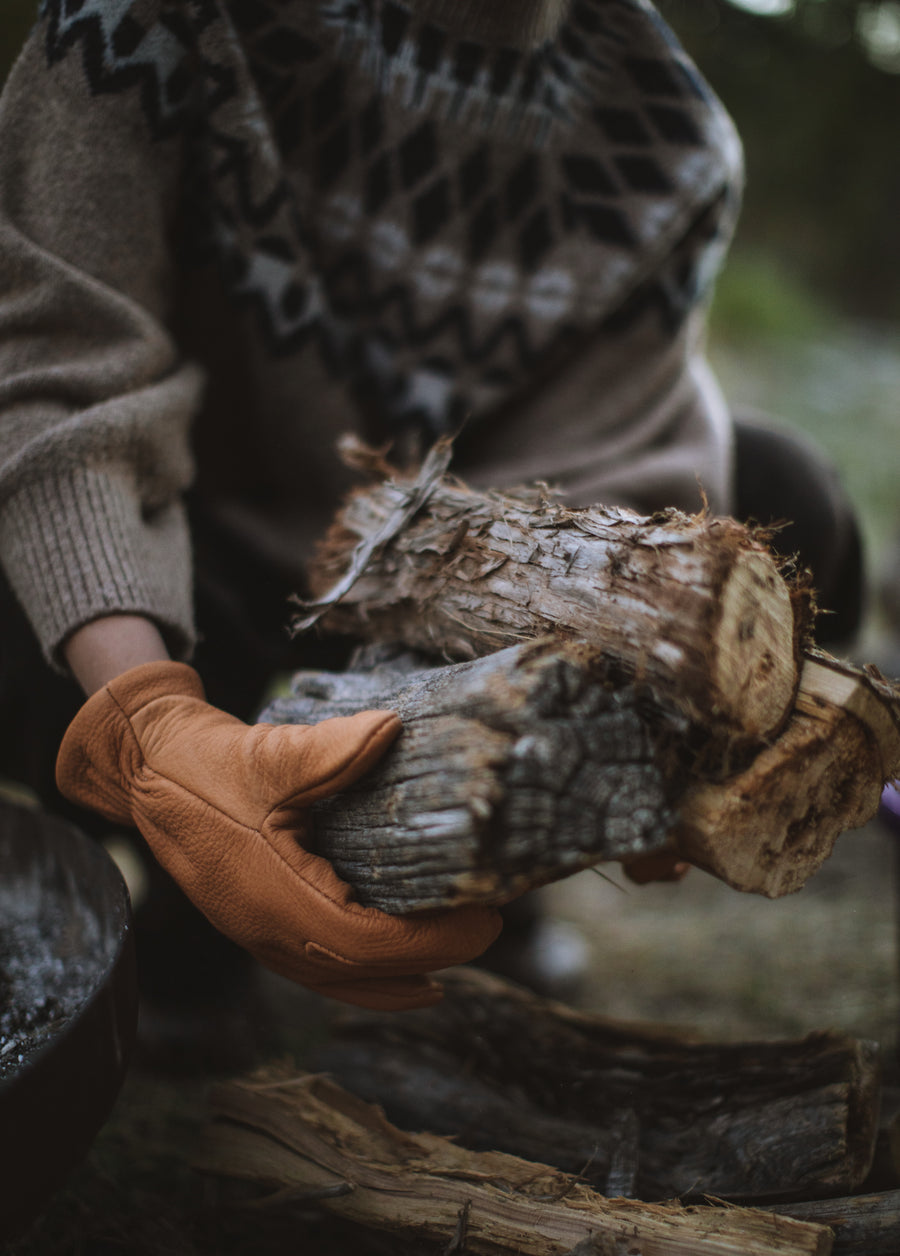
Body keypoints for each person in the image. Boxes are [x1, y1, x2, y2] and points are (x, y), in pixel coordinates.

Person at [0, 1, 863, 1057]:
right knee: (25, 537)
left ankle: (476, 858)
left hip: (420, 615)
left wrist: (641, 729)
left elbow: (599, 491)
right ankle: (195, 906)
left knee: (783, 495)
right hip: (180, 567)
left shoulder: (670, 143)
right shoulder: (153, 24)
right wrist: (153, 731)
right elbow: (54, 377)